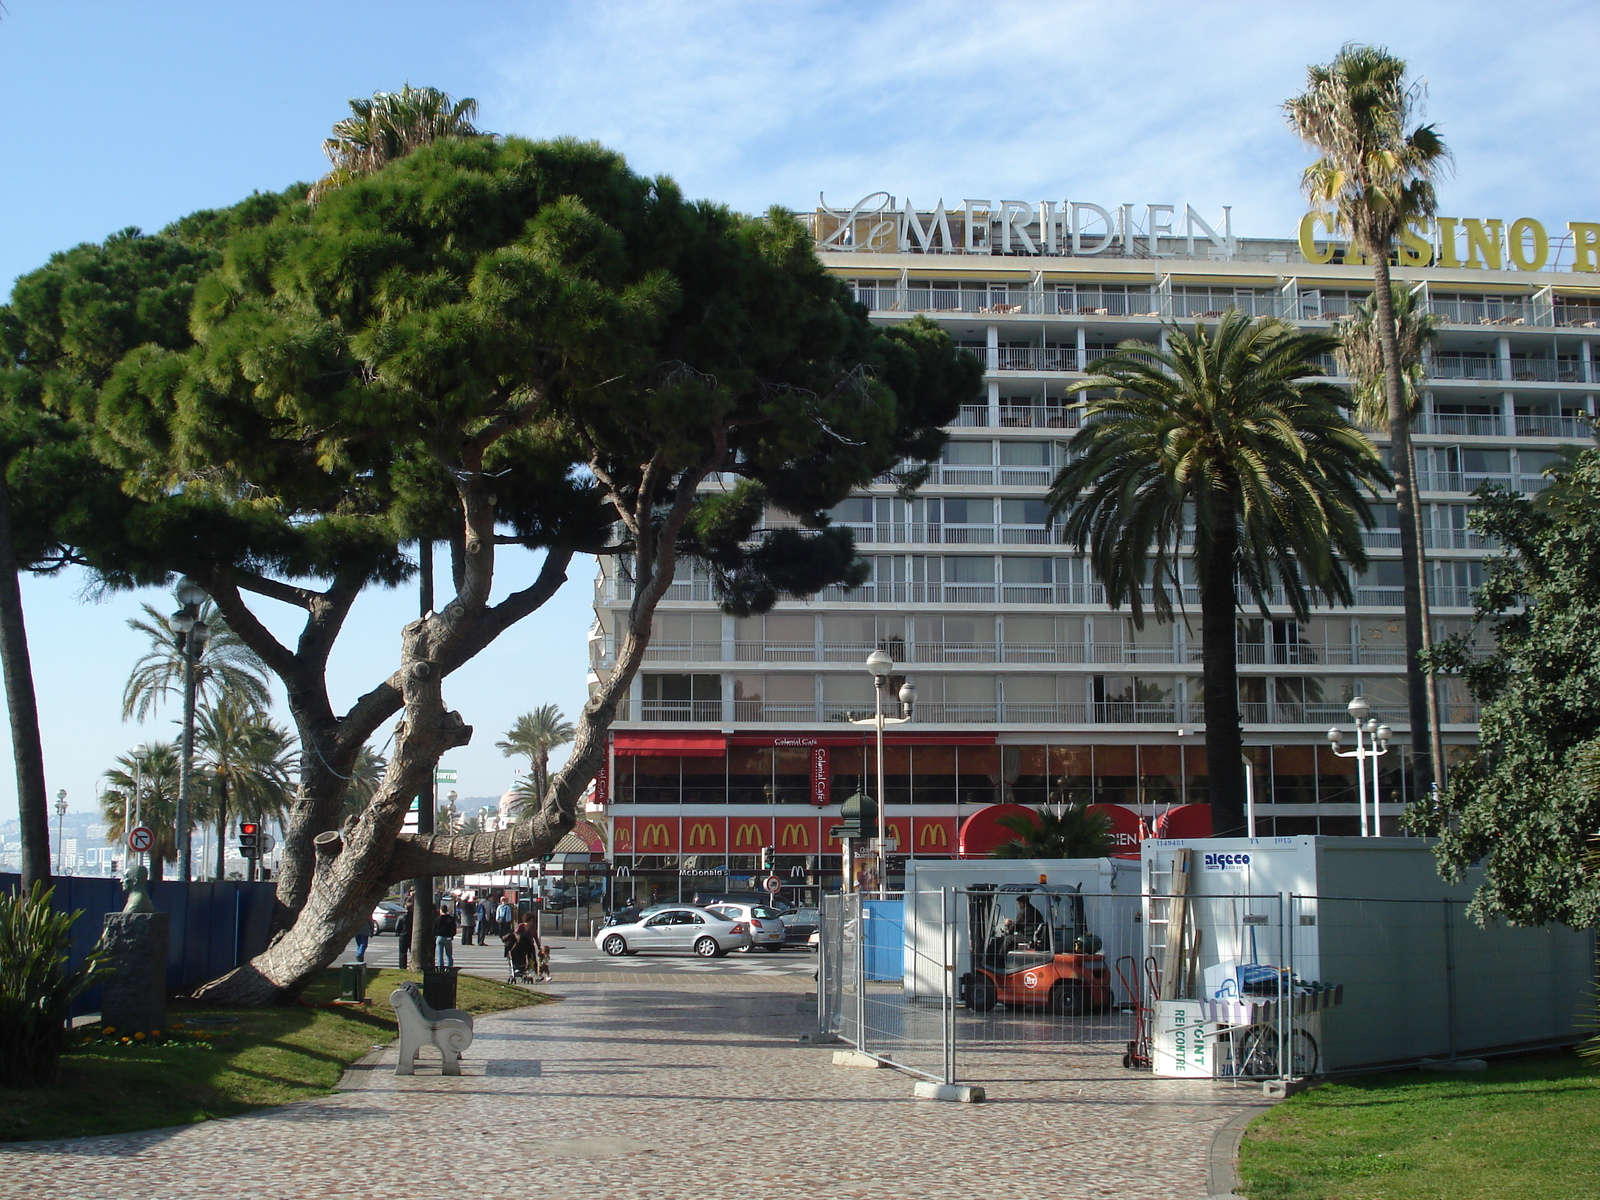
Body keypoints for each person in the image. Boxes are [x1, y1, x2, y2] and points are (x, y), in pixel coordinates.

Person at [435, 904, 458, 969]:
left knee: (439, 954)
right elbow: (454, 929)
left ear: (441, 910)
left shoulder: (437, 919)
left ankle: (440, 967)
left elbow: (434, 928)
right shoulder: (451, 919)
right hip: (448, 937)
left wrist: (435, 935)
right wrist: (452, 935)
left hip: (439, 937)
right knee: (449, 954)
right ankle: (449, 966)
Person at [396, 901, 413, 970]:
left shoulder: (401, 917)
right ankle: (412, 965)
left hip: (403, 936)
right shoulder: (414, 917)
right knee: (412, 952)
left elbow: (397, 927)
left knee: (402, 952)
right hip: (411, 936)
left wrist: (399, 932)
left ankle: (402, 966)